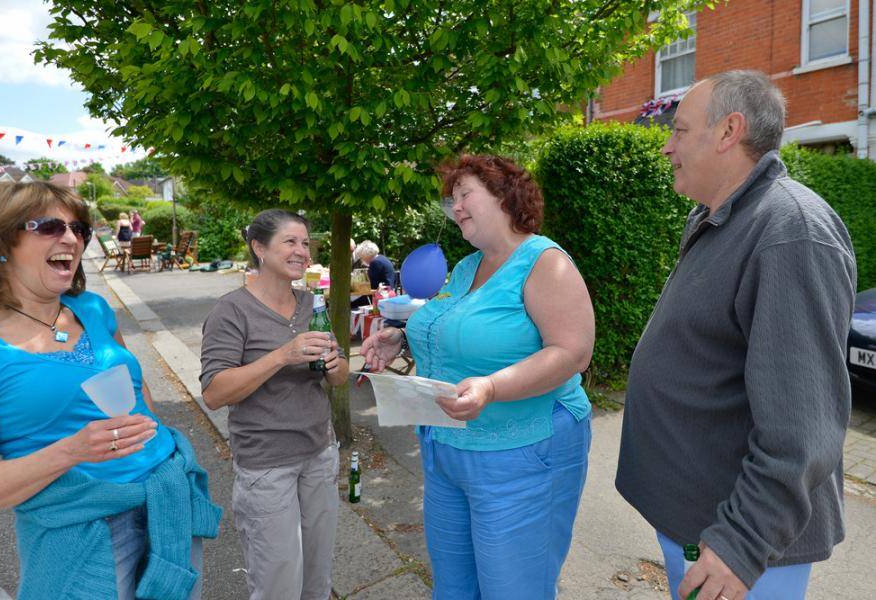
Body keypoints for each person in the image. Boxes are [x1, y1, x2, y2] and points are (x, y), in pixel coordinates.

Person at [616, 70, 857, 600]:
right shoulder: (719, 216)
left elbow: (804, 426)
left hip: (741, 549)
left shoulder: (790, 231)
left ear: (729, 131)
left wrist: (744, 541)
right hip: (701, 524)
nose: (666, 147)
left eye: (678, 131)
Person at [362, 155, 595, 598]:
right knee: (454, 588)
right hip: (446, 448)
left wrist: (492, 387)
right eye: (452, 201)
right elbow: (450, 330)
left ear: (506, 195)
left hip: (521, 454)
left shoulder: (544, 261)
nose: (456, 208)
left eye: (465, 194)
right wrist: (400, 339)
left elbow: (572, 352)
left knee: (513, 589)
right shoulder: (469, 266)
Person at [0, 181, 221, 600]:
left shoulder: (92, 308)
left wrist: (158, 444)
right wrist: (72, 451)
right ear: (1, 242)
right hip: (79, 523)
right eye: (50, 226)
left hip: (165, 500)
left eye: (79, 229)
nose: (71, 238)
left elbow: (134, 385)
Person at [200, 209, 349, 600]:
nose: (301, 250)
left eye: (305, 242)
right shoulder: (231, 310)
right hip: (267, 466)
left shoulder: (310, 304)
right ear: (258, 248)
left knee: (318, 578)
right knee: (278, 584)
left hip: (318, 453)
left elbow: (338, 374)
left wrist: (335, 366)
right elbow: (215, 392)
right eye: (290, 242)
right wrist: (282, 355)